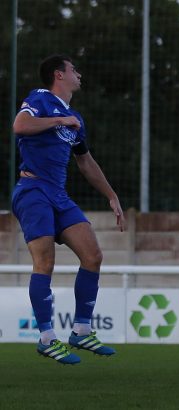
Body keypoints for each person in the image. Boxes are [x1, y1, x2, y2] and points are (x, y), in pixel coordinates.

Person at [12, 55, 125, 365]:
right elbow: (19, 125)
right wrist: (59, 121)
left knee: (93, 255)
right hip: (32, 191)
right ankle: (47, 338)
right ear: (59, 75)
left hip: (58, 195)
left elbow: (85, 162)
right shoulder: (41, 98)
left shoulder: (75, 117)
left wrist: (111, 195)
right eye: (74, 69)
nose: (79, 74)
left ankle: (81, 331)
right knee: (44, 262)